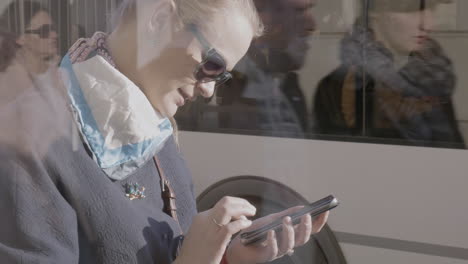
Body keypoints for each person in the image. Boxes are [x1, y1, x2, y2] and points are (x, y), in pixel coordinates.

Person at [0, 0, 330, 263]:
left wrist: (228, 252)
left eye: (221, 77)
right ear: (158, 19)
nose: (210, 92)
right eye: (212, 65)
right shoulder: (24, 139)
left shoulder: (154, 128)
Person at [313, 0, 465, 148]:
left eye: (432, 8)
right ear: (375, 12)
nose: (428, 25)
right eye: (411, 9)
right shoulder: (342, 86)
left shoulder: (432, 75)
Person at [176, 0, 316, 138]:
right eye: (299, 11)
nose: (312, 25)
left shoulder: (284, 84)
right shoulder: (233, 85)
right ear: (264, 17)